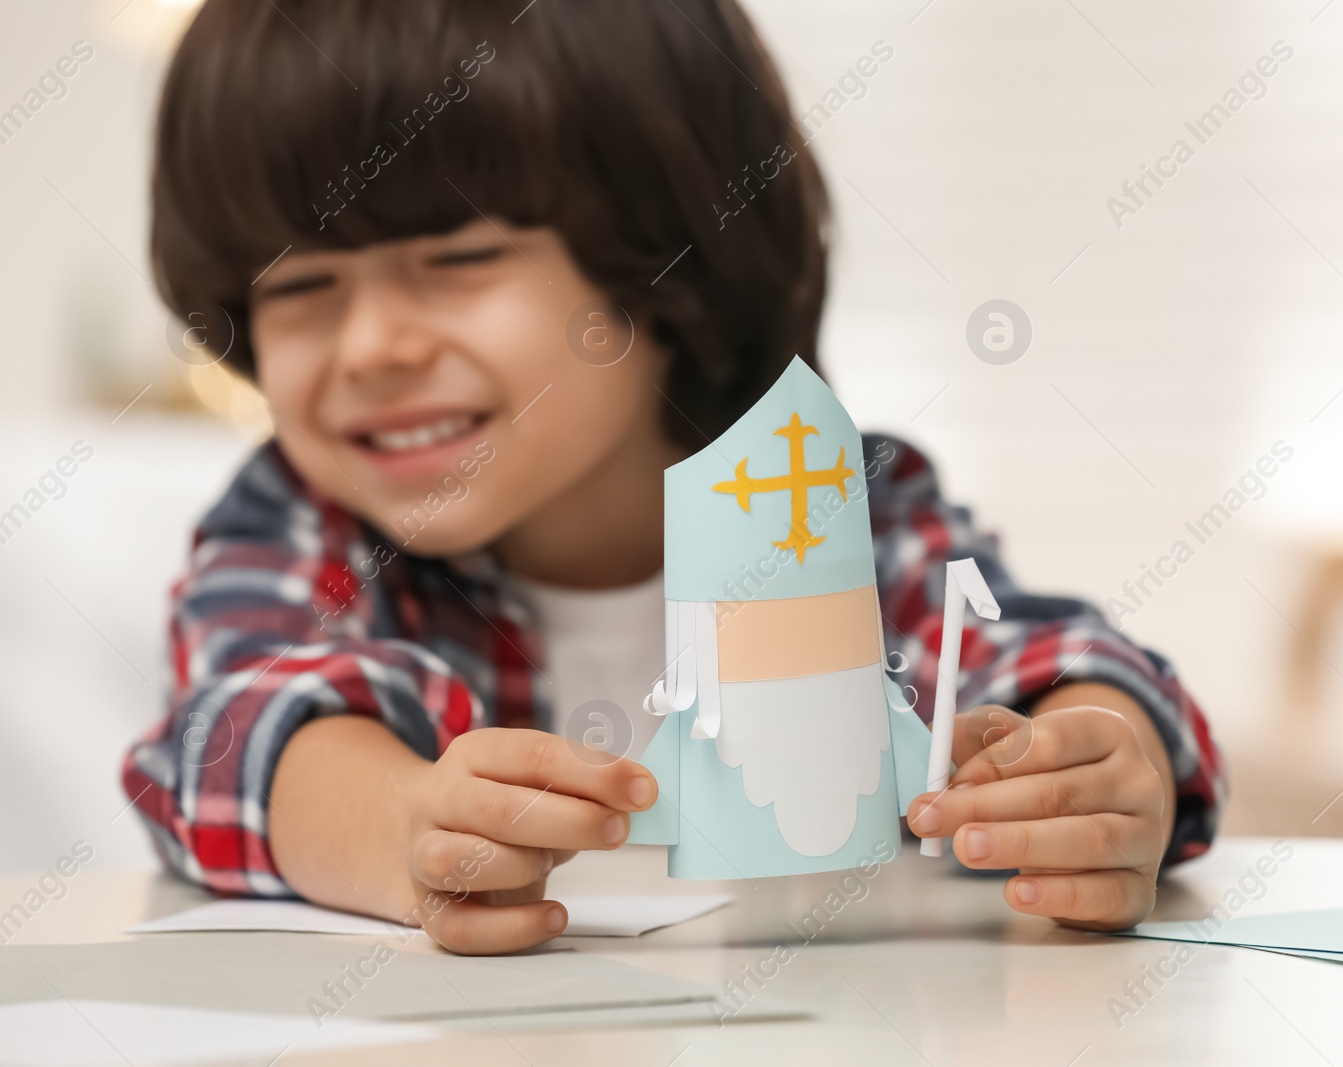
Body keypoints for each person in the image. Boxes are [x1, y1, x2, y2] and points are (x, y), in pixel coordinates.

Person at [122, 0, 1226, 955]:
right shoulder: (298, 521)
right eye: (299, 283)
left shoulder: (831, 491)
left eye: (457, 259)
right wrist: (405, 818)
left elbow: (1029, 656)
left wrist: (1092, 753)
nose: (368, 346)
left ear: (665, 257)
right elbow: (236, 731)